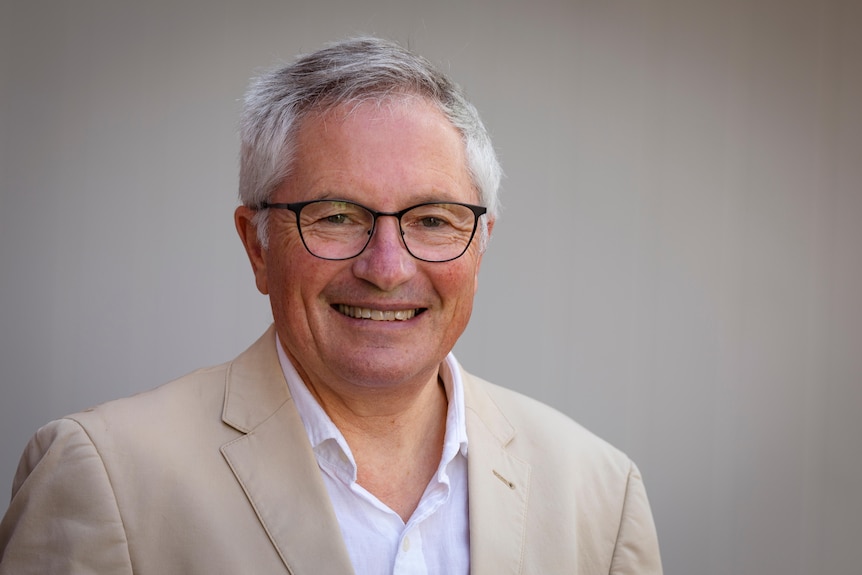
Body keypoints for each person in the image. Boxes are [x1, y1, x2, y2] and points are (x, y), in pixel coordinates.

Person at [0, 37, 662, 574]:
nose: (386, 268)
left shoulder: (599, 493)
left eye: (432, 219)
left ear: (480, 245)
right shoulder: (103, 476)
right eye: (338, 215)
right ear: (257, 245)